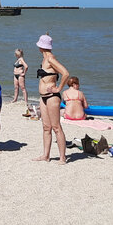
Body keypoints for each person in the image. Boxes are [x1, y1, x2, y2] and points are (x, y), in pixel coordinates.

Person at [34, 34, 70, 163]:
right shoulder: (44, 59)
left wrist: (59, 88)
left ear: (41, 47)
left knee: (56, 127)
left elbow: (65, 73)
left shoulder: (50, 59)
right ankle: (46, 155)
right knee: (46, 127)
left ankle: (62, 157)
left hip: (52, 97)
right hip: (43, 97)